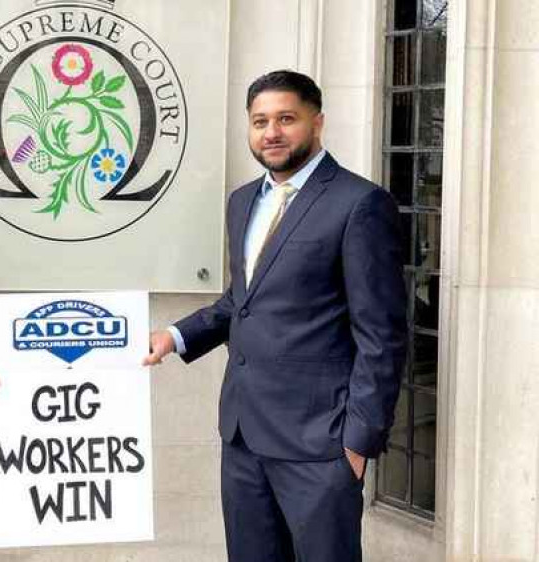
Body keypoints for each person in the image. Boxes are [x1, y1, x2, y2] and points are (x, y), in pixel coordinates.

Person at [144, 70, 407, 562]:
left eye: (286, 119)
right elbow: (240, 301)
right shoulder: (243, 202)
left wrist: (356, 444)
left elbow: (382, 335)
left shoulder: (360, 204)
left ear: (317, 121)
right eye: (260, 121)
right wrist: (176, 336)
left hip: (321, 444)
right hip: (243, 437)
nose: (272, 132)